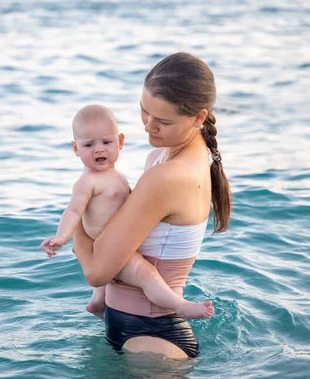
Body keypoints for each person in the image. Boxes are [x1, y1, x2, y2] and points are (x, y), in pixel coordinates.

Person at [72, 52, 231, 359]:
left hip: (154, 337)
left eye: (163, 121)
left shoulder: (167, 176)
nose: (148, 127)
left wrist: (77, 217)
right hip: (138, 330)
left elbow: (96, 272)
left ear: (199, 117)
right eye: (144, 112)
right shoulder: (164, 157)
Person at [40, 104, 214, 321]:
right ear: (75, 149)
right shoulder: (86, 182)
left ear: (120, 142)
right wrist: (61, 237)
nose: (99, 149)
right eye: (88, 144)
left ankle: (97, 302)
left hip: (111, 243)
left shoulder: (116, 175)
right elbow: (73, 211)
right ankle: (179, 307)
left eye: (106, 142)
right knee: (146, 275)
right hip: (109, 249)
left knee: (113, 281)